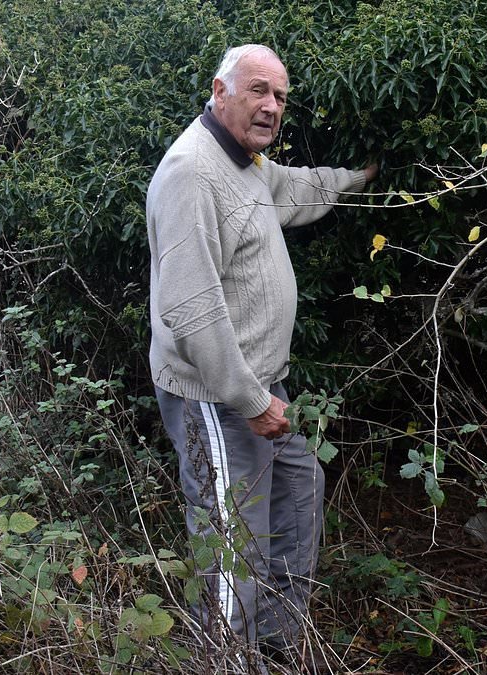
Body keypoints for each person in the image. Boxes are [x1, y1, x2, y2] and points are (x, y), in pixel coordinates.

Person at [145, 44, 376, 658]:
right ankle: (224, 658)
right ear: (219, 92)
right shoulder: (190, 173)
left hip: (263, 387)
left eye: (279, 96)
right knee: (231, 543)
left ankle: (275, 650)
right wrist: (249, 400)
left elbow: (296, 189)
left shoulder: (247, 163)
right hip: (217, 400)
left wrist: (362, 177)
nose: (271, 107)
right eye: (257, 91)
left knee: (300, 495)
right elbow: (191, 307)